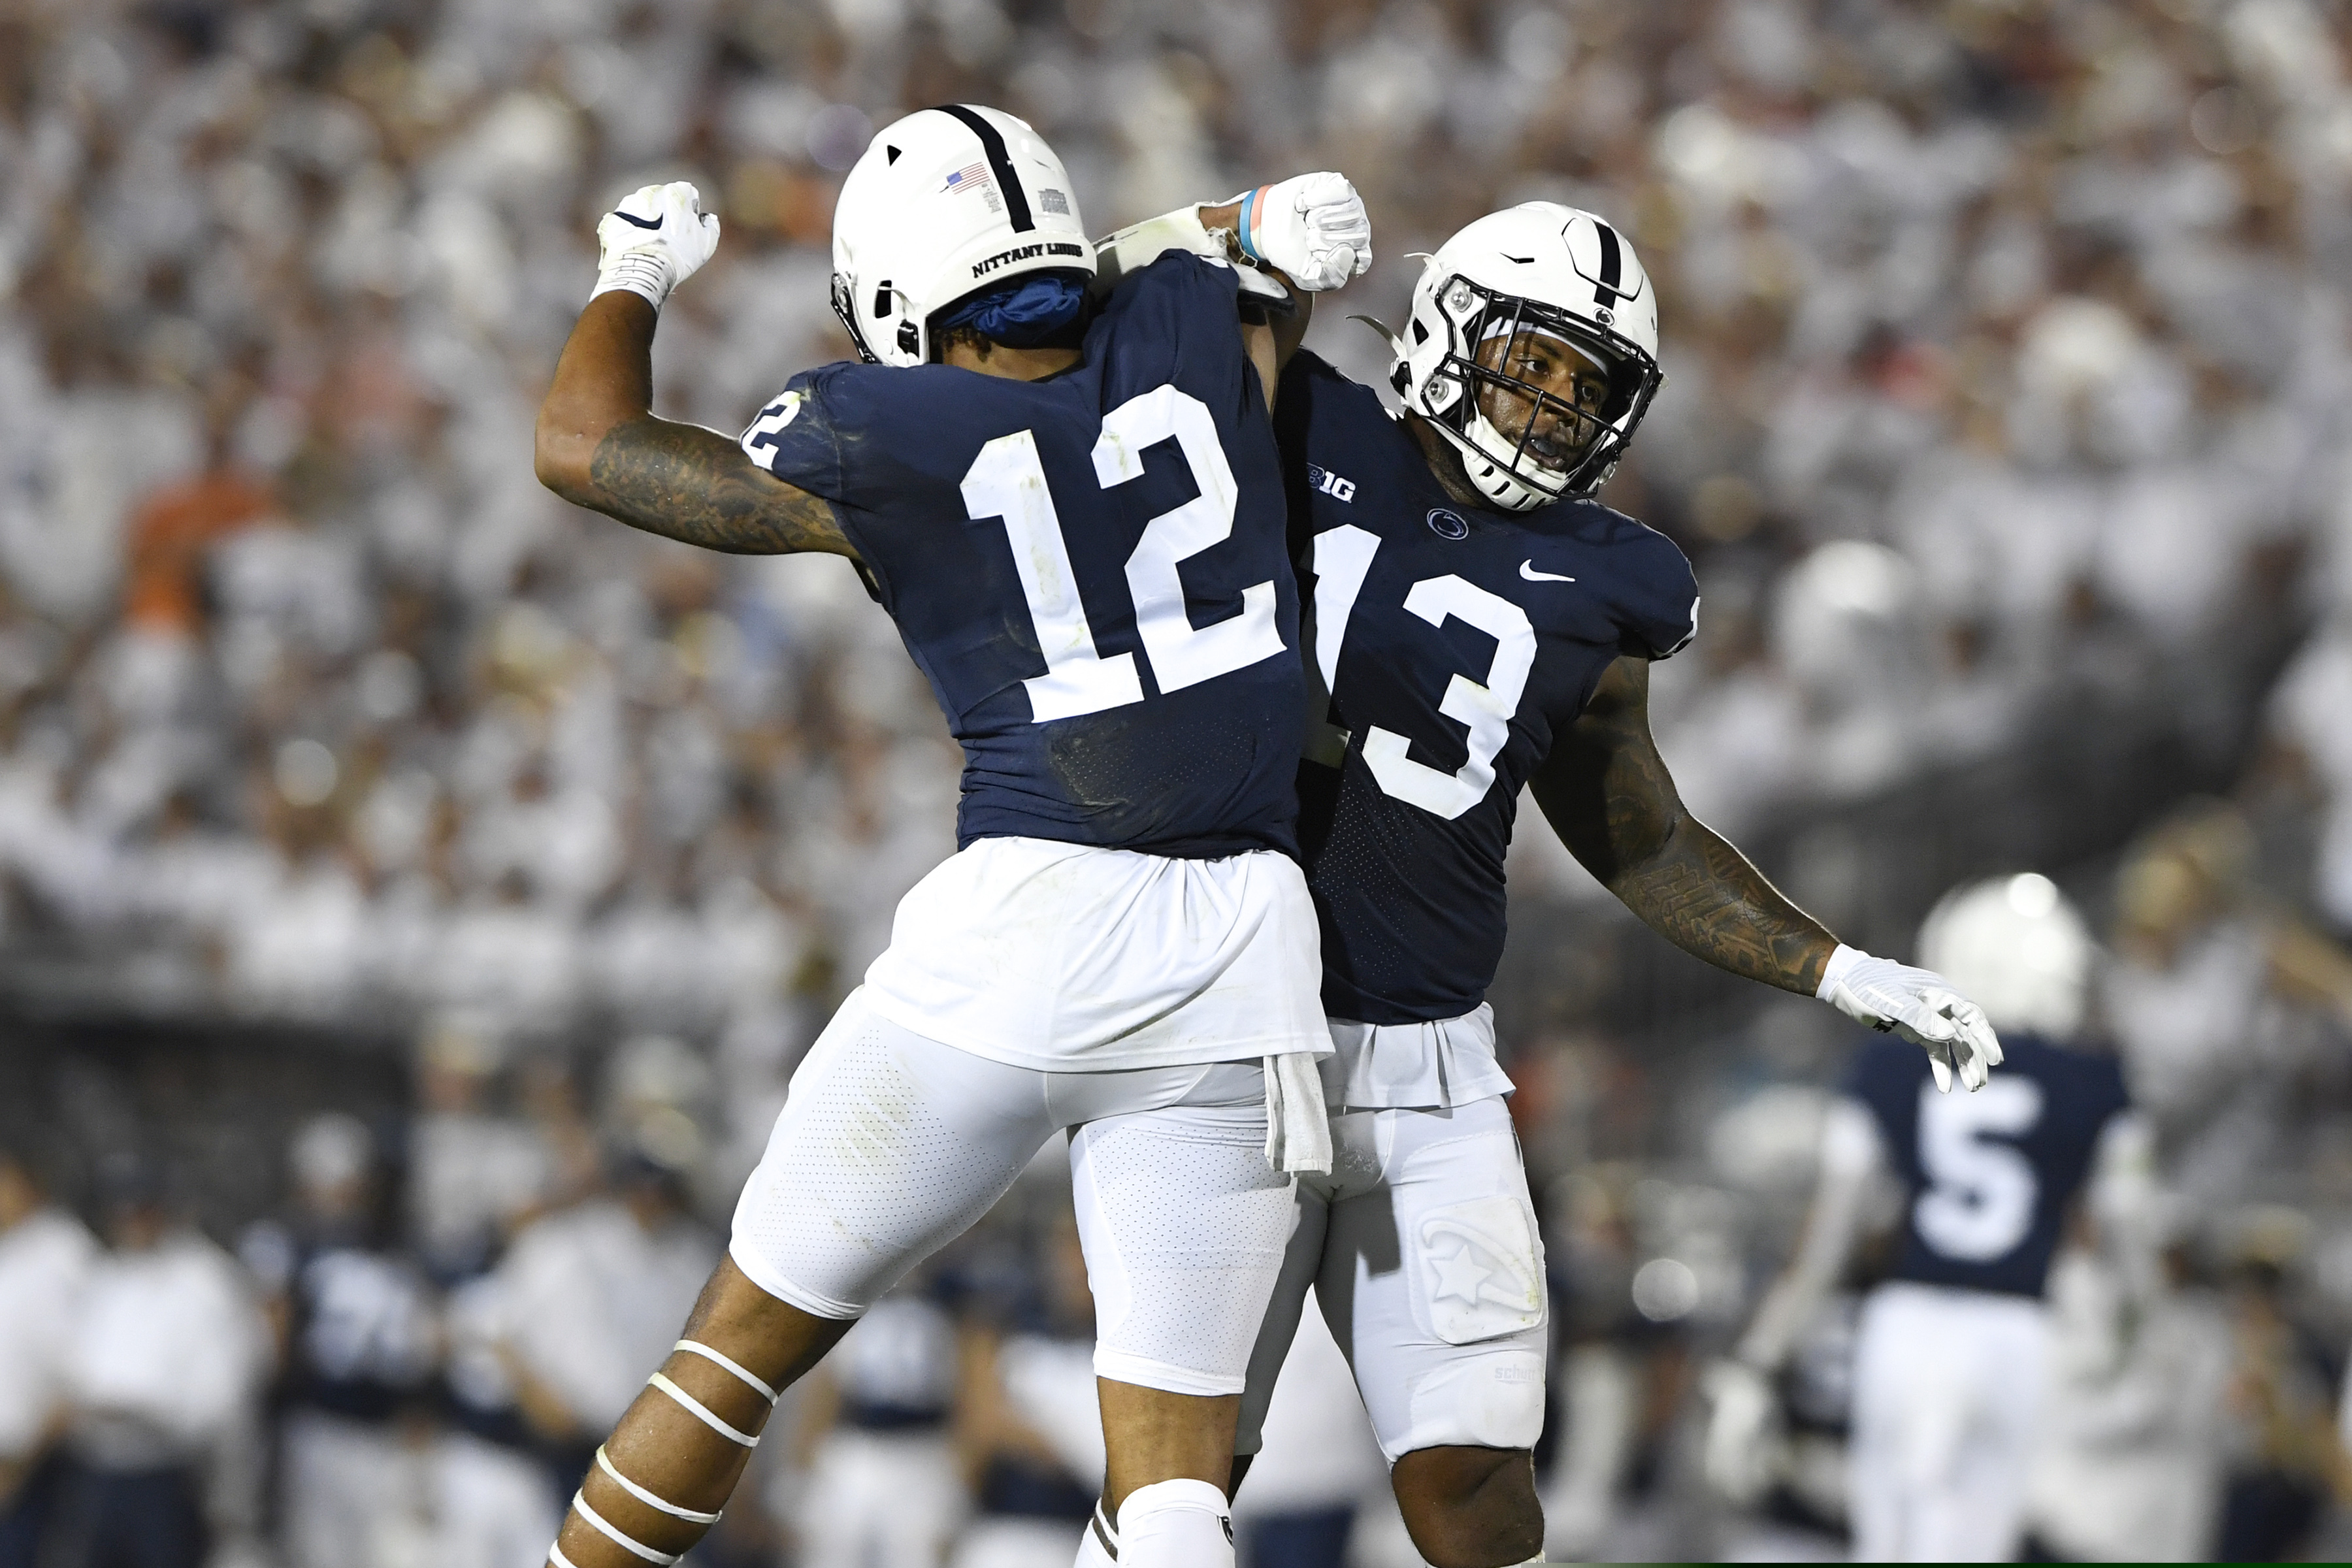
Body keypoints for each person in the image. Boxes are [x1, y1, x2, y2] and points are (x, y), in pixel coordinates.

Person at [1081, 201, 2004, 1568]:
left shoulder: (1603, 579)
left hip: (1434, 1063)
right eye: (1537, 358)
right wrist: (1240, 226)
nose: (1559, 403)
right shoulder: (1299, 420)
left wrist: (1838, 969)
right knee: (1186, 1487)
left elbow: (1634, 829)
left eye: (1591, 383)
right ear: (1450, 325)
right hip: (1230, 1031)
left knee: (1477, 1498)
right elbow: (1092, 315)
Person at [530, 103, 1373, 1568]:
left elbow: (581, 443)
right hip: (1240, 947)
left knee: (735, 1354)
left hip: (1023, 919)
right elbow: (1209, 270)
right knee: (1173, 1476)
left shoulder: (874, 425)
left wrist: (634, 274)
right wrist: (1235, 232)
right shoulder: (1196, 319)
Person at [1707, 874, 2144, 1561]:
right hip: (2022, 1334)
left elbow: (1826, 1246)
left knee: (1891, 1545)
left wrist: (1757, 1363)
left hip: (1909, 1329)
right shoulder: (2095, 1080)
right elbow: (2131, 1240)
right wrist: (2131, 1330)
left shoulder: (1886, 1068)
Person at [240, 1115, 435, 1568]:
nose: (342, 1194)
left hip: (383, 1433)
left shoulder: (395, 1248)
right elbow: (271, 1351)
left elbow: (419, 1346)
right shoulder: (283, 1245)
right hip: (314, 1428)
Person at [0, 1147, 95, 1568]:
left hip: (41, 1457)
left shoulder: (64, 1252)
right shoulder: (11, 1249)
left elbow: (81, 1368)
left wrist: (26, 1460)